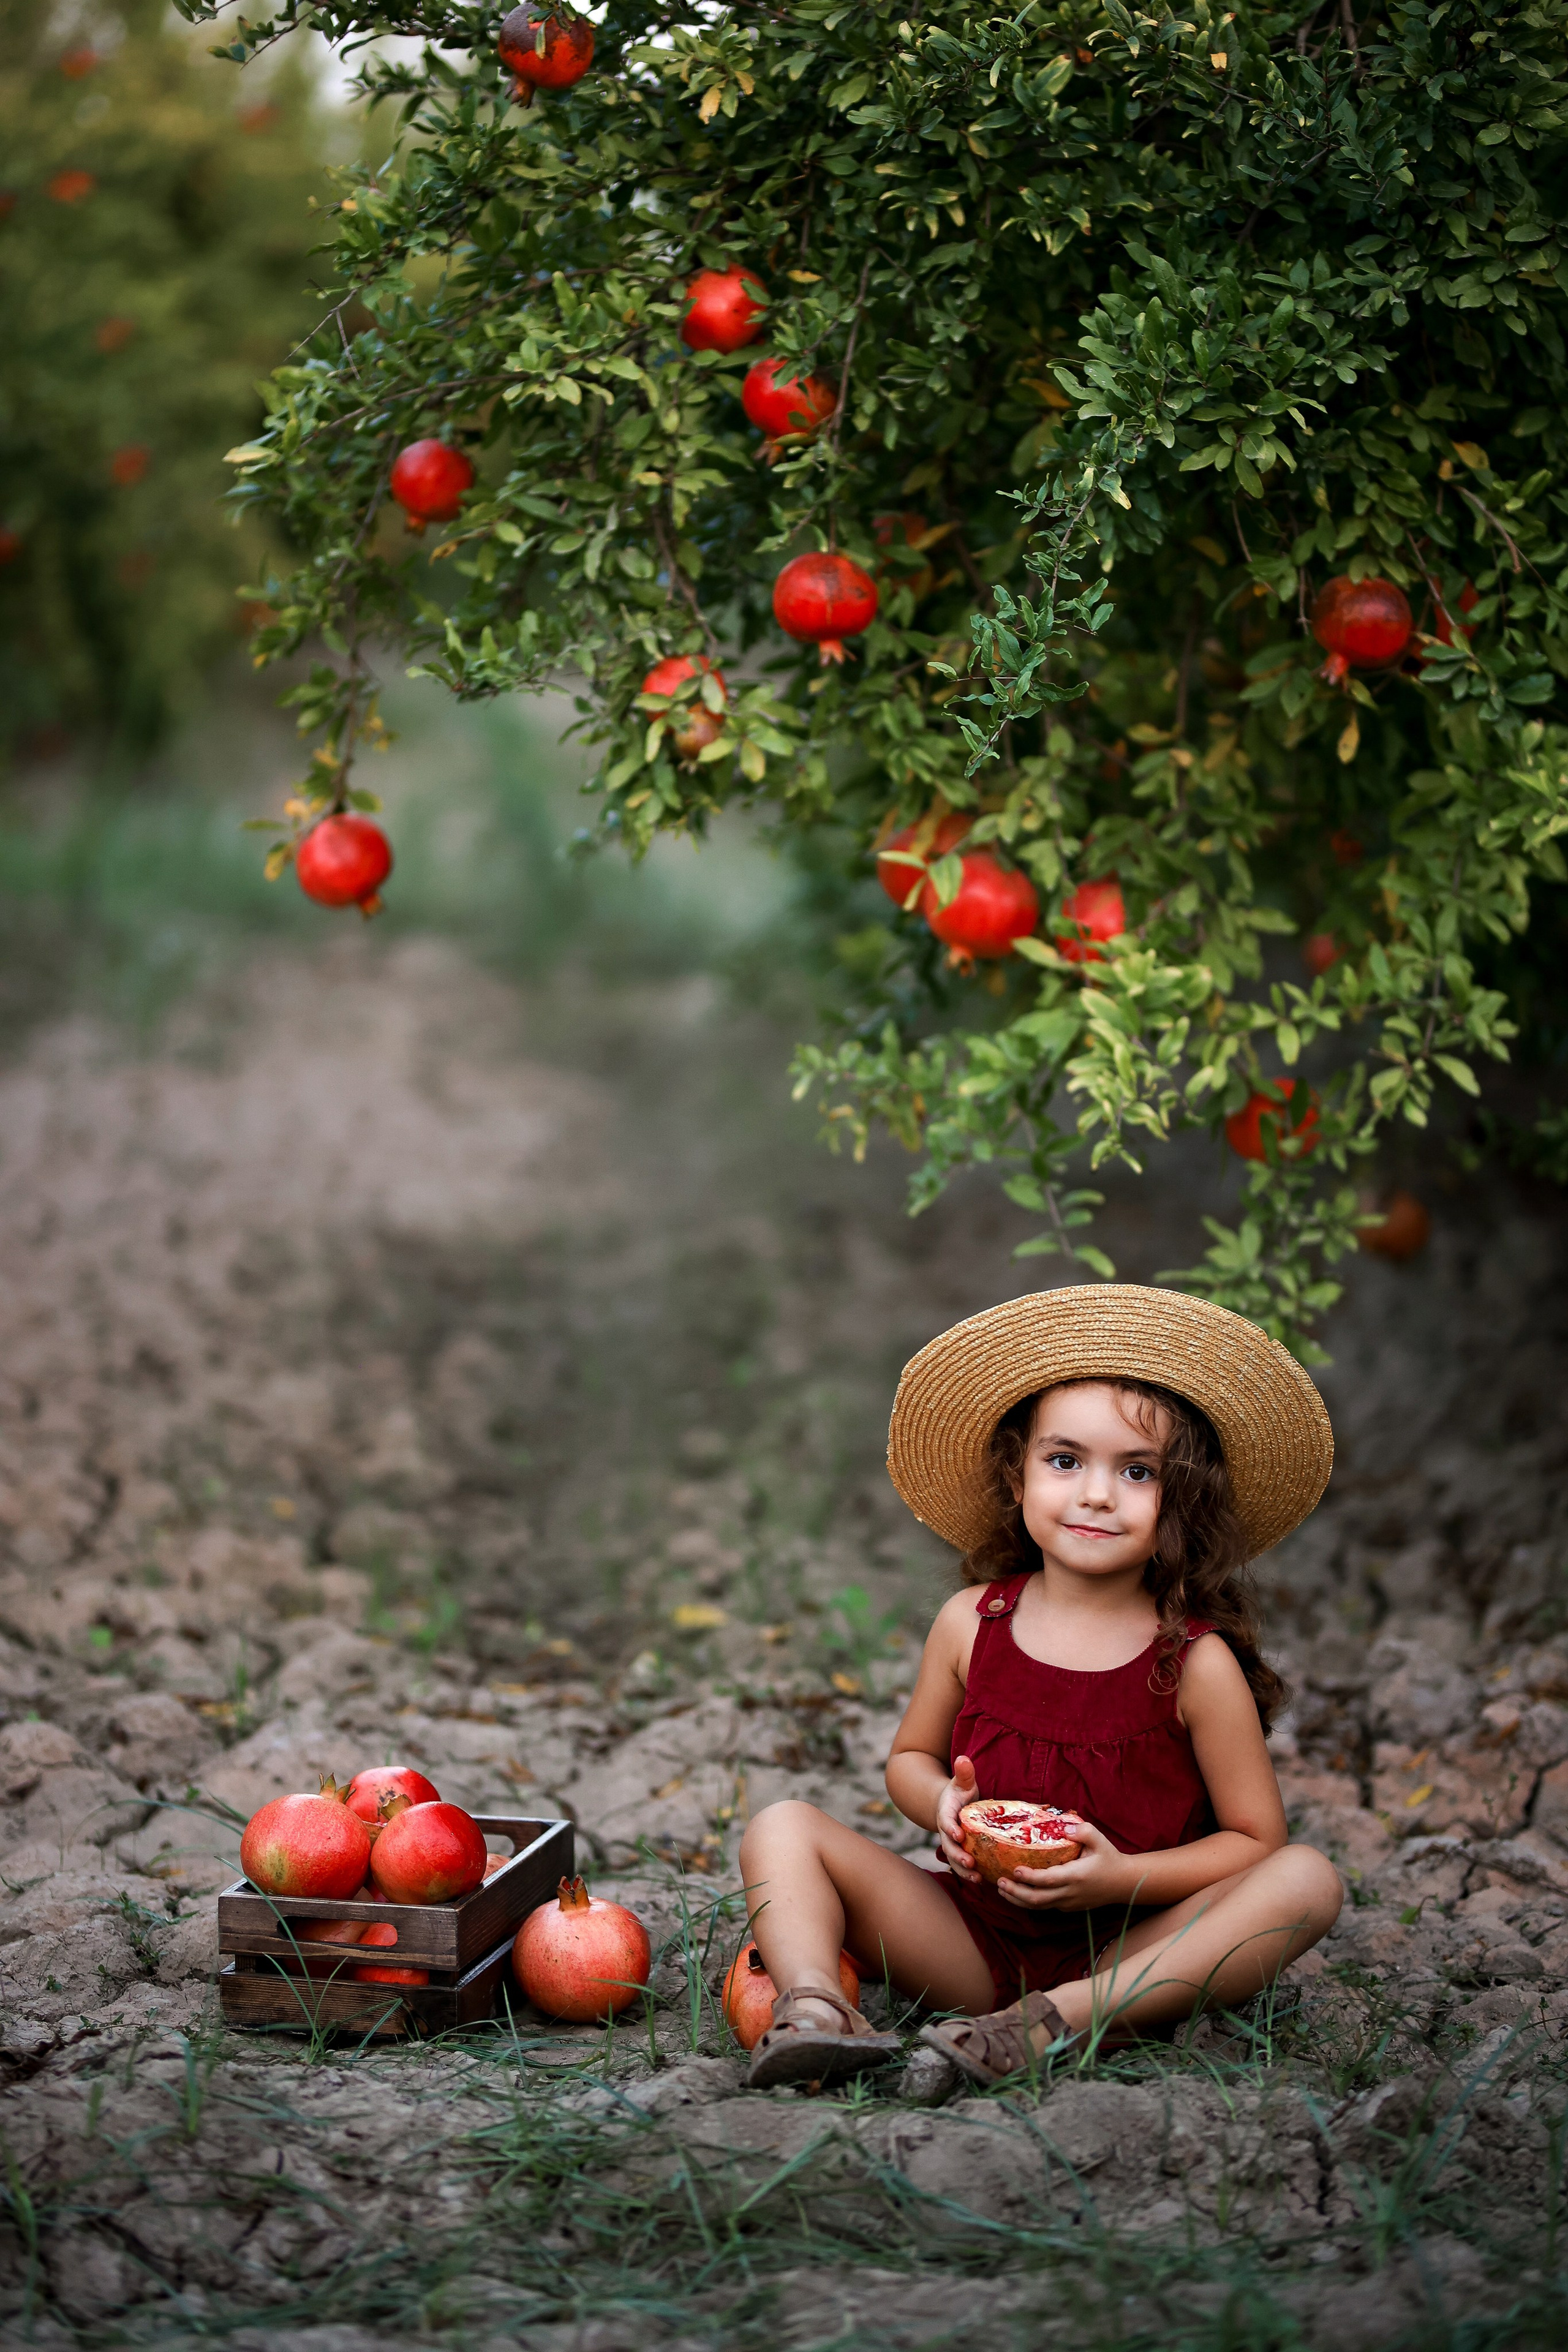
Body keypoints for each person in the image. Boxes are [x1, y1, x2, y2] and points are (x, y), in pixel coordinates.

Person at [739, 1284, 1344, 2089]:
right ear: (1017, 1479)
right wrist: (942, 1808)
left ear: (1182, 1505)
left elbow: (1253, 1843)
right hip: (970, 1941)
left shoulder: (1195, 1664)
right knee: (782, 1826)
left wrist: (1117, 1878)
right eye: (1066, 1461)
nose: (1096, 1493)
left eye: (1137, 1471)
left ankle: (1057, 2021)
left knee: (1308, 1881)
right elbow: (910, 1759)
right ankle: (817, 2009)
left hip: (1134, 1949)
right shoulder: (971, 1622)